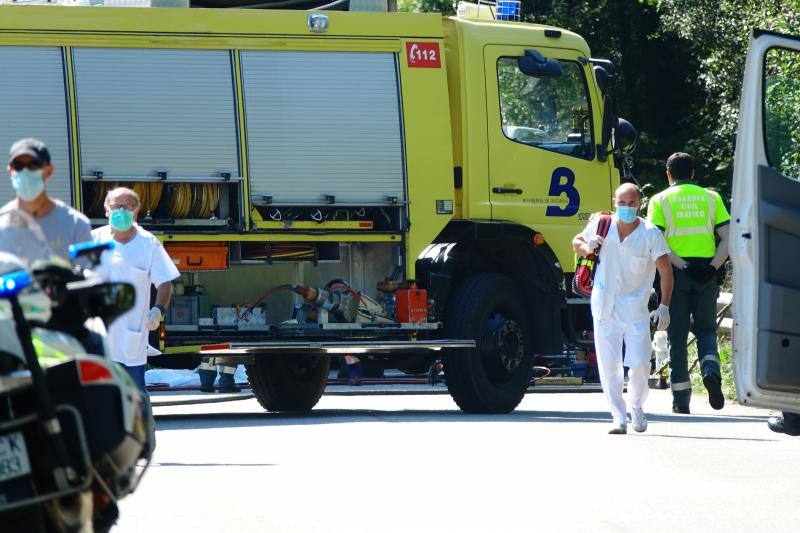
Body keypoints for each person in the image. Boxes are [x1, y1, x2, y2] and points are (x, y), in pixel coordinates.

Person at [573, 183, 674, 434]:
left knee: (640, 361)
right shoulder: (601, 225)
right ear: (613, 202)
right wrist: (588, 247)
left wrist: (664, 306)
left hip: (636, 308)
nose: (626, 207)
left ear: (640, 203)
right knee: (609, 366)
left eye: (631, 203)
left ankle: (636, 405)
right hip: (604, 305)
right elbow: (576, 242)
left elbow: (665, 271)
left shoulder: (650, 233)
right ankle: (618, 416)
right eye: (622, 203)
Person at [647, 152, 730, 413]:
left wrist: (684, 265)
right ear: (693, 173)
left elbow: (655, 243)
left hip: (676, 274)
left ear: (668, 174)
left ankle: (681, 400)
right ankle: (710, 369)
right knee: (706, 331)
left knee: (677, 336)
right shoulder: (712, 197)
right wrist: (712, 267)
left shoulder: (659, 200)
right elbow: (729, 239)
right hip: (707, 273)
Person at [92, 187, 179, 391]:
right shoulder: (92, 240)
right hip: (98, 337)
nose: (121, 211)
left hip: (131, 338)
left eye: (127, 207)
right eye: (116, 206)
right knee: (100, 400)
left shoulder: (148, 244)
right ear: (106, 209)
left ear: (136, 211)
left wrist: (158, 310)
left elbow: (165, 283)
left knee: (135, 397)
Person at [1, 138, 92, 261]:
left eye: (33, 165)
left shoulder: (76, 225)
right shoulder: (2, 222)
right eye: (18, 166)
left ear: (49, 171)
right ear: (10, 171)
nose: (25, 172)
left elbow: (89, 275)